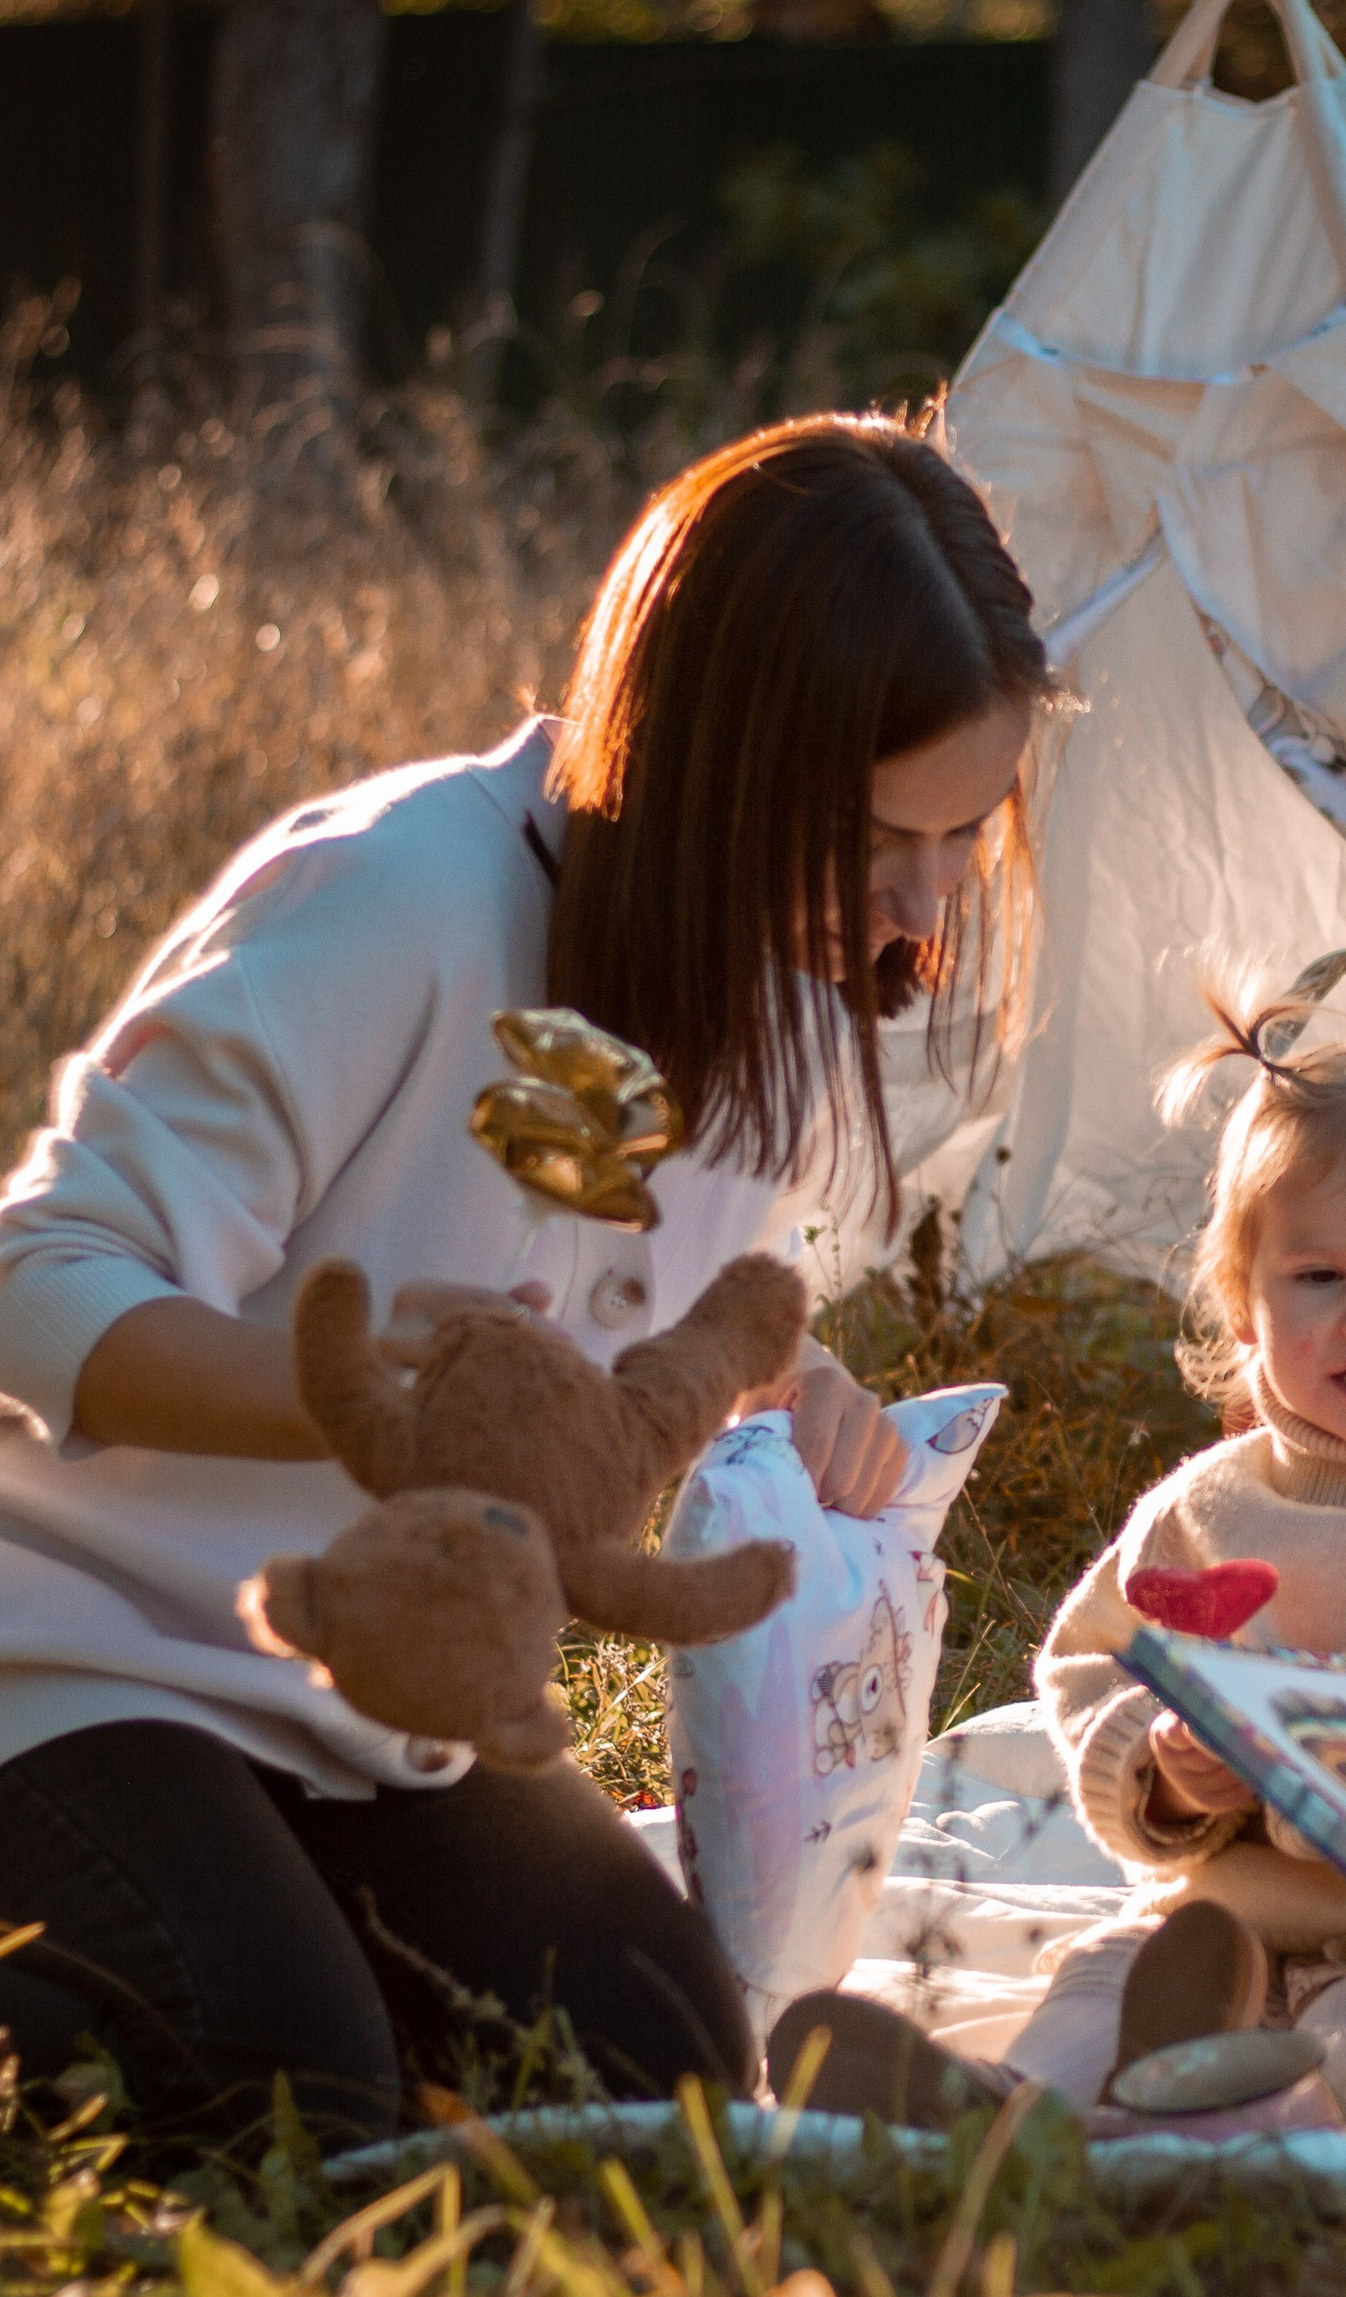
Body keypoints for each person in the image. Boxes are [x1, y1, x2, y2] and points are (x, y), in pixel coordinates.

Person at [0, 414, 1053, 2148]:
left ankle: (290, 1939)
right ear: (723, 759)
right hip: (89, 1646)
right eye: (882, 841)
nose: (918, 915)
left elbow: (625, 1339)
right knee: (276, 2090)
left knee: (662, 2071)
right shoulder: (402, 897)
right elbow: (41, 1282)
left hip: (395, 1706)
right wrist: (366, 1414)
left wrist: (791, 1386)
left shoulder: (783, 999)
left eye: (962, 837)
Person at [771, 949, 1346, 2127]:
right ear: (1242, 1295)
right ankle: (1018, 2106)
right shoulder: (1206, 1507)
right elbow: (1094, 1660)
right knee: (1106, 1976)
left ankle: (1213, 2128)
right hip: (1223, 1925)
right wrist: (1164, 1765)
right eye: (1317, 1275)